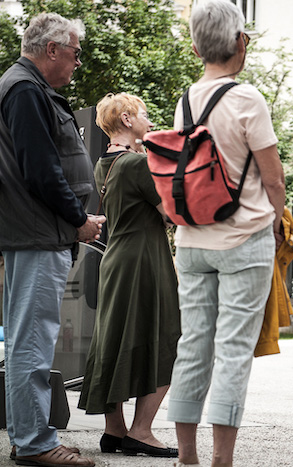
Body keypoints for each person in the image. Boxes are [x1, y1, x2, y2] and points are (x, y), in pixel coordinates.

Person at [166, 1, 285, 466]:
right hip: (243, 239)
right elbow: (273, 179)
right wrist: (274, 225)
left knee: (192, 345)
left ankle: (186, 456)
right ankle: (222, 460)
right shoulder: (247, 98)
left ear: (195, 47)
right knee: (233, 350)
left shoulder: (185, 101)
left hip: (192, 240)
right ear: (242, 42)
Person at [0, 12, 104, 467]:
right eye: (77, 52)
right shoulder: (25, 89)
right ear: (53, 49)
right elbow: (41, 169)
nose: (78, 62)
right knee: (32, 342)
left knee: (30, 339)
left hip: (35, 232)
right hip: (38, 233)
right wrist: (78, 218)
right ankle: (35, 443)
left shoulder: (26, 87)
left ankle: (31, 437)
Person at [77, 93, 181, 457]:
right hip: (144, 261)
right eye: (145, 115)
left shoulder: (104, 163)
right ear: (126, 118)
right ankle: (141, 431)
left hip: (115, 261)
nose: (150, 122)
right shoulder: (138, 164)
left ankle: (115, 430)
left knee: (115, 339)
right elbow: (171, 214)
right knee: (165, 335)